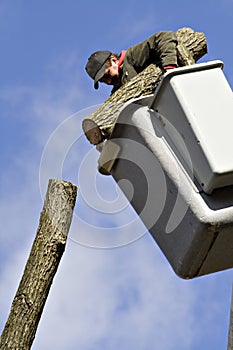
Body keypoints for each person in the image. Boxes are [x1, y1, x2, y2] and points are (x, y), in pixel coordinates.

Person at [85, 30, 178, 95]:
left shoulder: (132, 57)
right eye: (103, 81)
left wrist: (169, 72)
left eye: (107, 74)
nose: (108, 81)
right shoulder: (117, 92)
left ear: (113, 60)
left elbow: (164, 37)